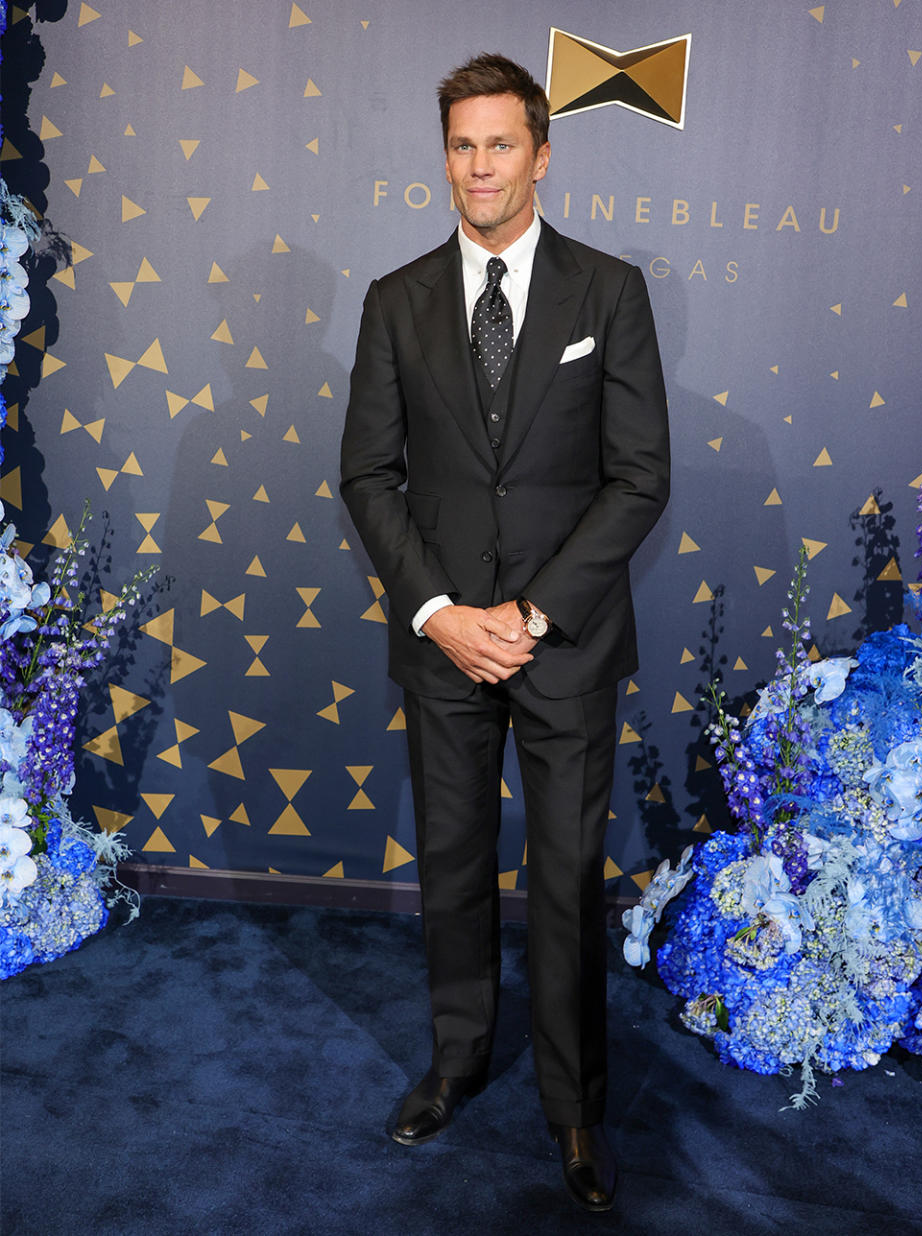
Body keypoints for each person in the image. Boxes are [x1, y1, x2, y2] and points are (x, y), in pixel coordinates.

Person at [340, 52, 669, 1213]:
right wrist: (440, 614)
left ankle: (575, 1111)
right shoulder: (395, 299)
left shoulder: (607, 293)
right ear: (447, 158)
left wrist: (527, 616)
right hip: (442, 645)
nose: (479, 165)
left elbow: (638, 480)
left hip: (563, 645)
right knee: (453, 867)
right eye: (461, 145)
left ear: (542, 153)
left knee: (571, 879)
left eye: (500, 144)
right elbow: (369, 476)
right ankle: (459, 1059)